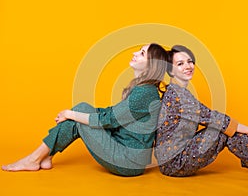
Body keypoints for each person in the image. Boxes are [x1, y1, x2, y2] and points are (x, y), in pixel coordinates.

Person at [2, 43, 168, 177]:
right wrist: (77, 114)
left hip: (128, 161)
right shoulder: (143, 89)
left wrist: (69, 114)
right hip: (123, 149)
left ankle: (35, 158)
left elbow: (109, 119)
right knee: (82, 112)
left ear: (151, 64)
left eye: (142, 53)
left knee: (79, 114)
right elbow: (113, 113)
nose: (135, 53)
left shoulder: (145, 92)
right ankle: (46, 157)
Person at [154, 45, 248, 182]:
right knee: (224, 130)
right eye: (180, 64)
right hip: (174, 163)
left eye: (190, 61)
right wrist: (246, 129)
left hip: (173, 159)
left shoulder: (177, 91)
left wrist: (237, 128)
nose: (188, 66)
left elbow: (208, 116)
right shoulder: (178, 96)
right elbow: (210, 117)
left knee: (226, 129)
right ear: (171, 71)